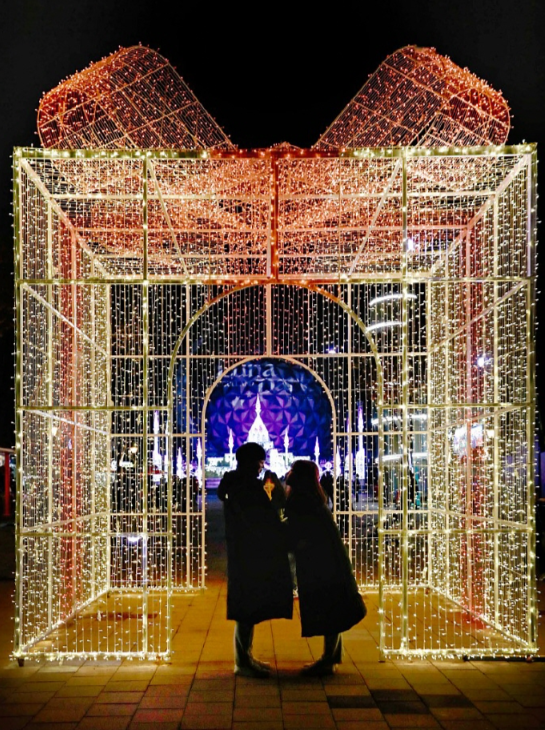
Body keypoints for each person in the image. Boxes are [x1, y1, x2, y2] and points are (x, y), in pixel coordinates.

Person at [217, 443, 293, 677]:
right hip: (249, 552)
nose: (262, 467)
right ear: (251, 462)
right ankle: (243, 661)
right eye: (260, 462)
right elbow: (262, 517)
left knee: (247, 605)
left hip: (244, 551)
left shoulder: (238, 484)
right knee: (246, 606)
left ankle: (245, 657)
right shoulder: (246, 486)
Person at [285, 460, 366, 676]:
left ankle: (328, 659)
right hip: (329, 560)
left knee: (326, 608)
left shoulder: (301, 500)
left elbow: (295, 532)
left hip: (317, 563)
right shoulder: (316, 497)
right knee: (332, 606)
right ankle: (331, 656)